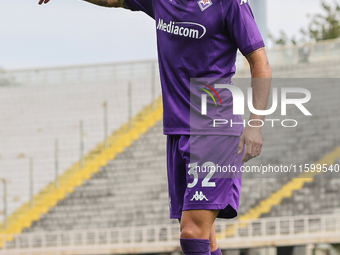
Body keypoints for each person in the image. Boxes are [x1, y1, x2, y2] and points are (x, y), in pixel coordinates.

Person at [39, 0, 272, 254]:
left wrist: (255, 125)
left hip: (214, 128)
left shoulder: (230, 4)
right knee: (205, 237)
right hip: (177, 130)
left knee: (192, 232)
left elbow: (260, 63)